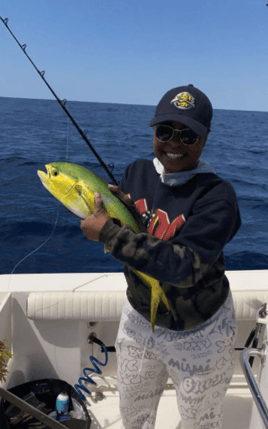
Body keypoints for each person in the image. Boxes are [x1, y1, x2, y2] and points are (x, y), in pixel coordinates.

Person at [80, 84, 241, 429]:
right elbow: (138, 230)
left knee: (200, 423)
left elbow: (184, 266)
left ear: (205, 138)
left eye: (188, 136)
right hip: (139, 318)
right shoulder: (136, 172)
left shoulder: (218, 197)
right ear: (154, 130)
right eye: (165, 130)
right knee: (133, 415)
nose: (173, 143)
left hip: (201, 331)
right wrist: (117, 212)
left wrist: (108, 232)